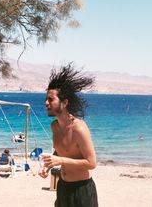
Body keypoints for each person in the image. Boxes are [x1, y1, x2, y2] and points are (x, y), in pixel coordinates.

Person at [39, 63, 98, 207]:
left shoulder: (79, 128)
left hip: (82, 190)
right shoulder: (54, 126)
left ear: (64, 103)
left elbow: (91, 163)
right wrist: (47, 166)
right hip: (63, 187)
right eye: (46, 99)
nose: (46, 103)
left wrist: (59, 160)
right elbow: (59, 152)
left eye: (51, 99)